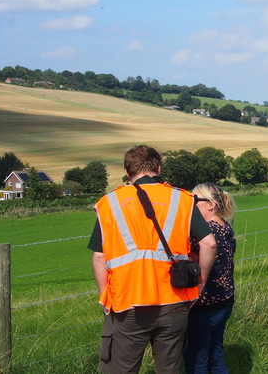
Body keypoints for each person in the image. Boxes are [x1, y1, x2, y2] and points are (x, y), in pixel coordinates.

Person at [89, 145, 217, 374]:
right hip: (175, 300)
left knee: (121, 368)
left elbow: (99, 256)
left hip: (127, 302)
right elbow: (209, 243)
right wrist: (201, 283)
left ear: (128, 173)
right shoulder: (182, 200)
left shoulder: (110, 203)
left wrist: (104, 296)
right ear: (158, 168)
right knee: (170, 368)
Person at [185, 183, 237, 374]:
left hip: (204, 304)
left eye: (195, 199)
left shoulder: (205, 233)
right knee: (216, 354)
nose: (191, 203)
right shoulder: (225, 226)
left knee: (196, 359)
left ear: (211, 205)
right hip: (224, 300)